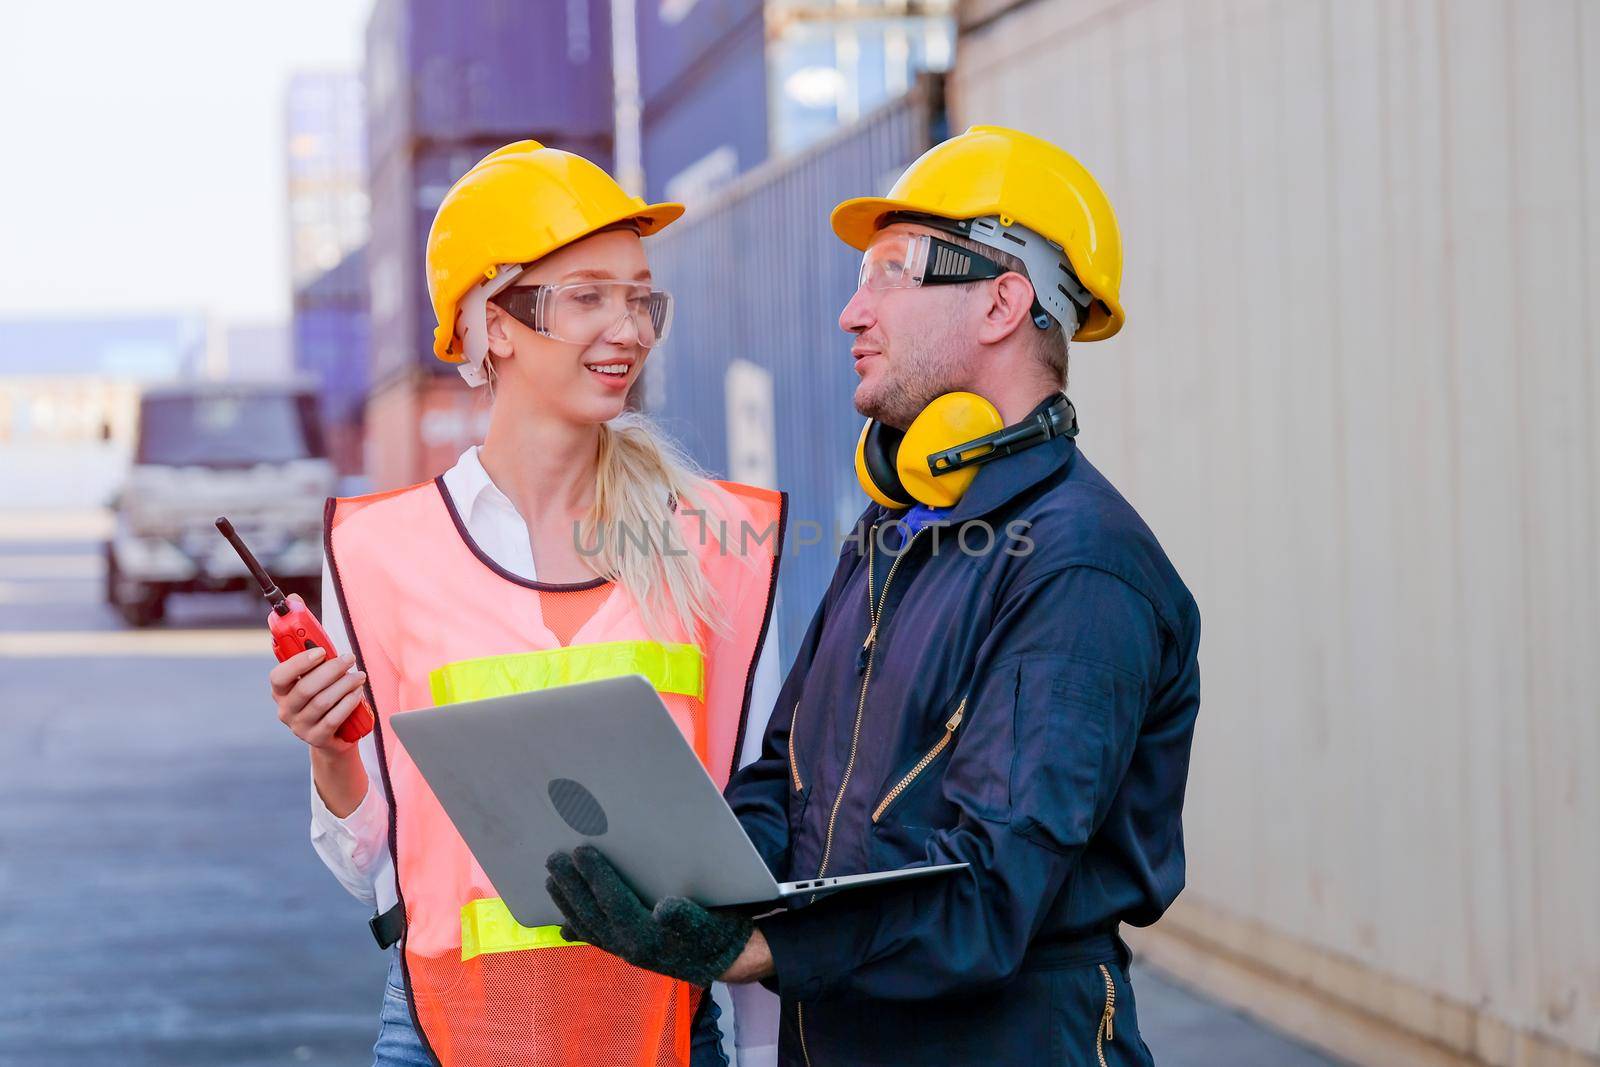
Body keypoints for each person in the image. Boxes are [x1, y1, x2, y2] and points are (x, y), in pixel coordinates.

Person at [544, 125, 1202, 1066]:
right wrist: (685, 876)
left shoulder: (1079, 568)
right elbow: (788, 781)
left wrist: (759, 944)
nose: (853, 311)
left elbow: (991, 890)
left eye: (891, 272)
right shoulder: (898, 525)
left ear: (1003, 301)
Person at [267, 140, 786, 1067]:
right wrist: (328, 753)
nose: (627, 326)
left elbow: (761, 824)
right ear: (494, 322)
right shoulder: (382, 551)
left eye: (640, 296)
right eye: (588, 295)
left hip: (667, 1032)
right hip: (445, 1033)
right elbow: (367, 864)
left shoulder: (715, 540)